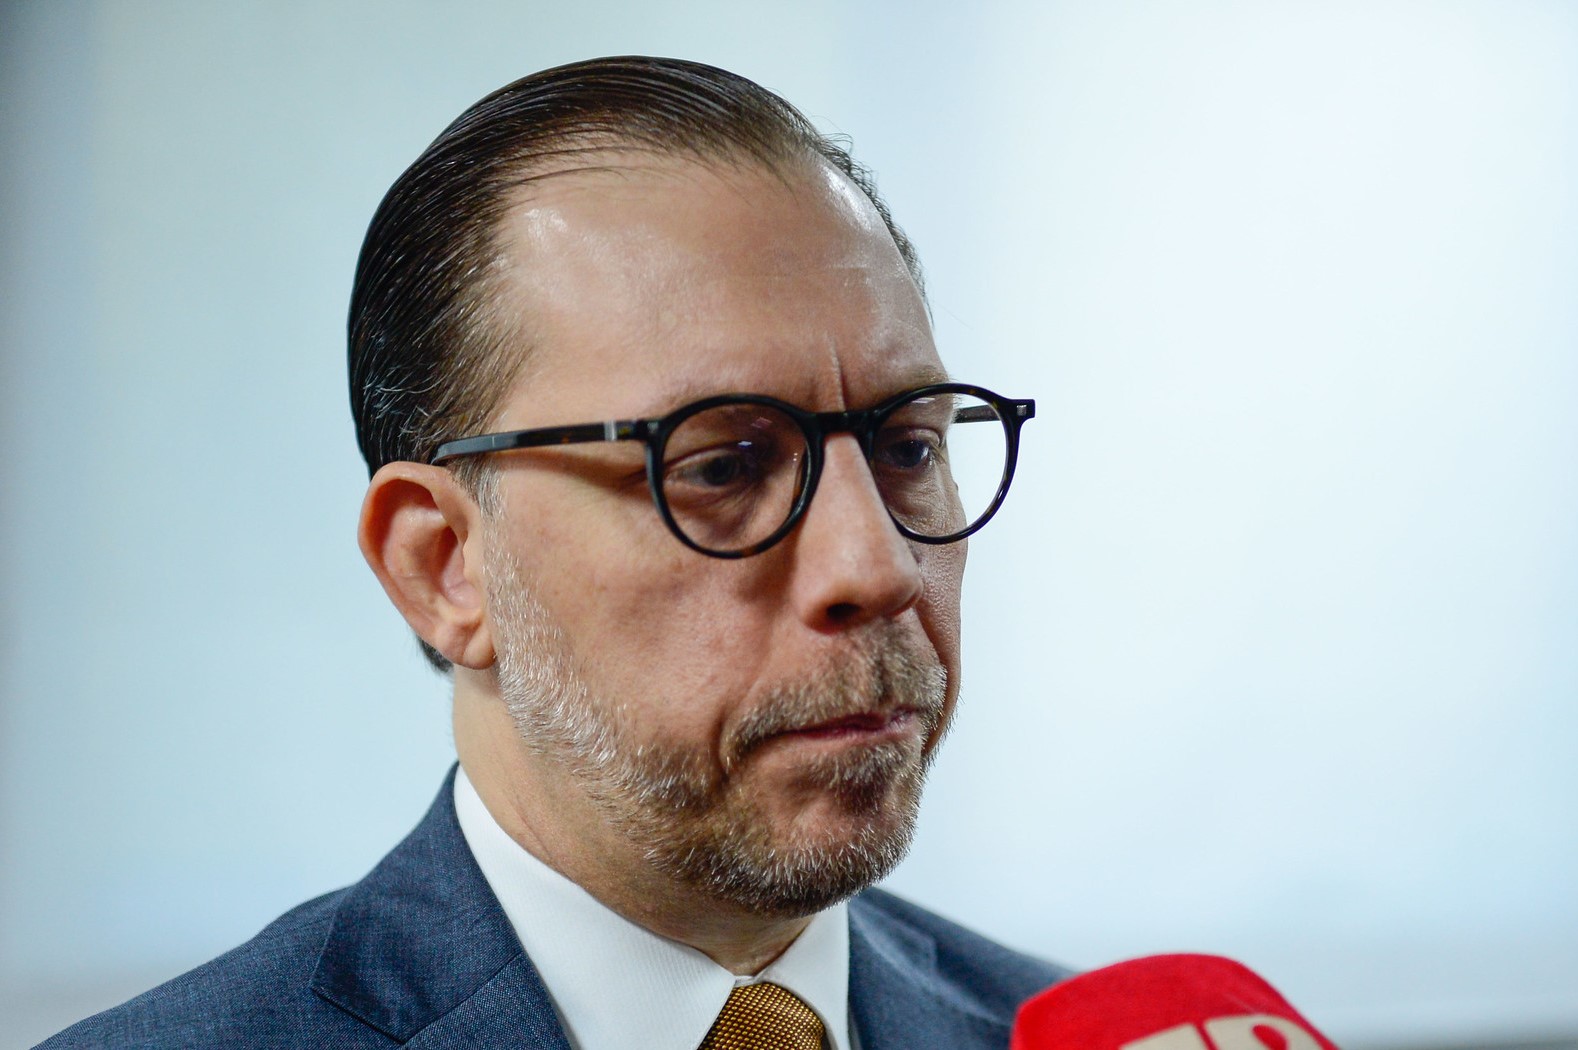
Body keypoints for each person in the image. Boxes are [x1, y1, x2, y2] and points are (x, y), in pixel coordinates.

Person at [40, 56, 1068, 1049]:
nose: (878, 569)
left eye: (907, 447)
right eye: (722, 466)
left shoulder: (1077, 1035)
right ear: (444, 566)